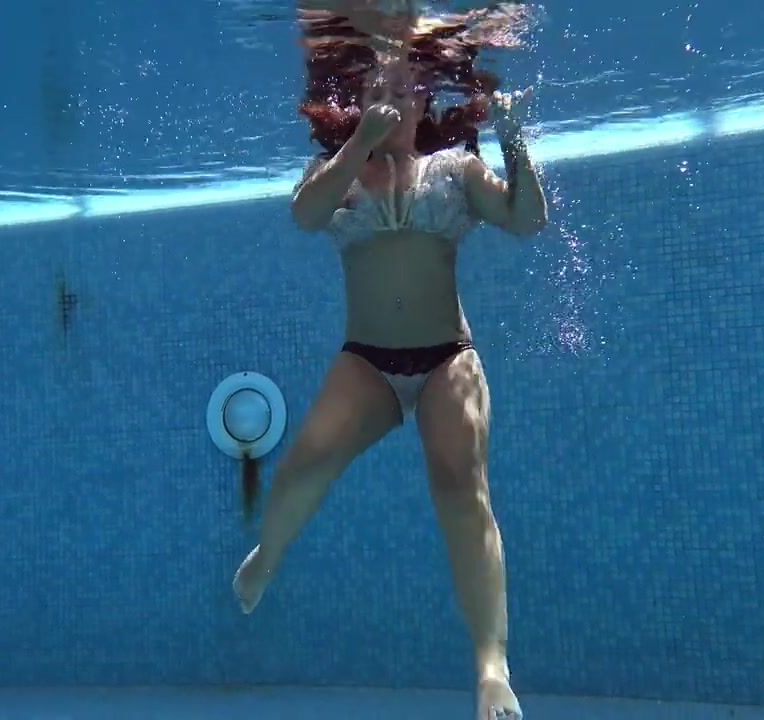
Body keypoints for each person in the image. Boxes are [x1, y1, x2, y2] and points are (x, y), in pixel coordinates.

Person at [234, 4, 547, 719]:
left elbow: (527, 221)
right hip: (368, 363)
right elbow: (304, 216)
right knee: (305, 463)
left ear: (426, 99)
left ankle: (490, 666)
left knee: (460, 486)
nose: (393, 98)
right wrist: (358, 147)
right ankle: (269, 555)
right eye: (378, 89)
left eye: (404, 89)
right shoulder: (336, 173)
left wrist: (514, 140)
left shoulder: (455, 169)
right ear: (358, 102)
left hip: (446, 359)